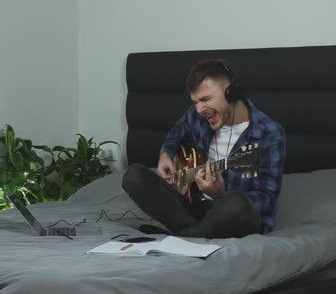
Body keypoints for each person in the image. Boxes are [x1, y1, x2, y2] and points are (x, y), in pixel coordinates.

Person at [122, 59, 286, 238]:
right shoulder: (197, 115)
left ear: (231, 93)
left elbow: (267, 199)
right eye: (195, 102)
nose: (199, 109)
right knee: (133, 176)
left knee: (237, 203)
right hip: (196, 209)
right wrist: (165, 154)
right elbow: (176, 132)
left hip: (235, 216)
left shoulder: (269, 133)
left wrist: (221, 195)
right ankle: (195, 233)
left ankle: (183, 235)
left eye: (205, 99)